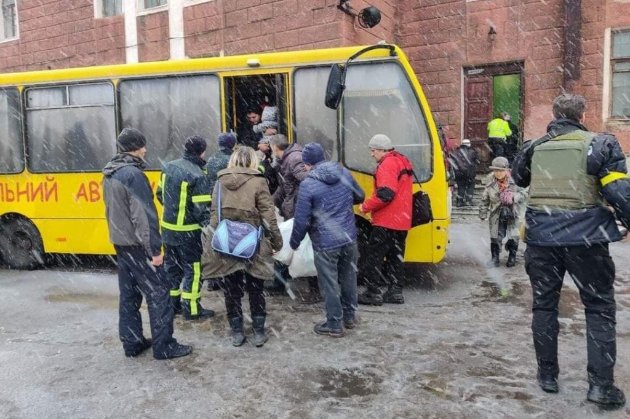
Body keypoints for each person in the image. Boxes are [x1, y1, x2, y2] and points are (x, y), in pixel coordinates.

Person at [512, 93, 630, 406]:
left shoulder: (534, 147)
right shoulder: (601, 144)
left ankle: (547, 376)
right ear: (582, 114)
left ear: (555, 113)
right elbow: (618, 191)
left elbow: (519, 179)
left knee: (544, 305)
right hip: (586, 240)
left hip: (541, 240)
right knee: (599, 307)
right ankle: (601, 387)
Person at [102, 128, 192, 360]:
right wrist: (154, 249)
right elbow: (143, 216)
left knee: (129, 295)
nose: (145, 150)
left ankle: (132, 343)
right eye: (142, 146)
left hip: (121, 244)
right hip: (138, 246)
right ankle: (164, 346)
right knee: (160, 293)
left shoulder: (111, 172)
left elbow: (112, 211)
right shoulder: (133, 174)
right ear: (135, 148)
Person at [201, 146, 283, 347]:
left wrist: (214, 242)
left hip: (228, 242)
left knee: (232, 288)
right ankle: (258, 331)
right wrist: (276, 242)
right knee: (256, 288)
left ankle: (237, 331)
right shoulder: (258, 181)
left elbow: (214, 214)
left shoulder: (220, 182)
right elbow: (268, 216)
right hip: (253, 242)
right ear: (253, 161)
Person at [290, 143, 365, 337]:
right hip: (348, 237)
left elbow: (302, 220)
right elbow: (360, 196)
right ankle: (349, 316)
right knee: (349, 277)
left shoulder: (308, 184)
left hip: (325, 242)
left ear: (308, 164)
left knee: (329, 283)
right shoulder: (344, 173)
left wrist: (294, 243)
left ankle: (334, 323)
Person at [157, 135, 214, 320]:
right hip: (188, 232)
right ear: (202, 152)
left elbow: (159, 194)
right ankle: (192, 309)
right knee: (194, 269)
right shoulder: (198, 174)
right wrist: (209, 227)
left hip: (167, 229)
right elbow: (201, 210)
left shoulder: (168, 167)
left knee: (172, 268)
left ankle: (173, 306)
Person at [358, 134, 413, 306]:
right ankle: (395, 292)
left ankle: (372, 293)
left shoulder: (387, 164)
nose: (371, 154)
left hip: (386, 221)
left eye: (373, 150)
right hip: (402, 220)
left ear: (382, 150)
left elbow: (386, 194)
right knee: (396, 257)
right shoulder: (402, 160)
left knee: (373, 256)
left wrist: (365, 206)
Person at [479, 156, 525, 267]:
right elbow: (485, 198)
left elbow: (525, 193)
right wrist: (483, 213)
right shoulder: (490, 180)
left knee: (513, 236)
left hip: (513, 213)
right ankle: (495, 258)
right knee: (495, 236)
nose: (498, 173)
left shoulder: (516, 179)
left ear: (506, 170)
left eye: (501, 170)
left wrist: (514, 197)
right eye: (495, 170)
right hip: (497, 213)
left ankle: (512, 256)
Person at [449, 139, 479, 207]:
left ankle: (459, 201)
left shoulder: (456, 152)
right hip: (470, 173)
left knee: (461, 187)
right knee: (470, 186)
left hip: (459, 174)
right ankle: (468, 200)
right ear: (469, 144)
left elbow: (453, 162)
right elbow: (477, 162)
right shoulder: (473, 151)